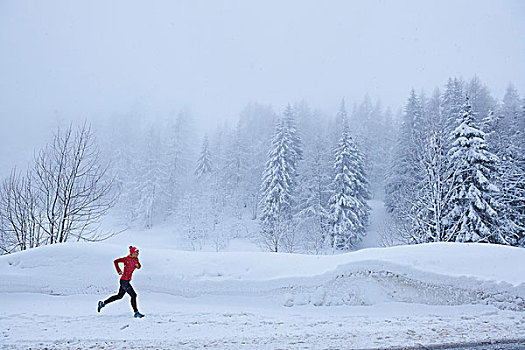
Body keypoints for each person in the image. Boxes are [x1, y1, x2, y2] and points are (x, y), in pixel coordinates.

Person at [97, 246, 144, 318]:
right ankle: (136, 312)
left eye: (138, 252)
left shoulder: (136, 259)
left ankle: (102, 303)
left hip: (127, 281)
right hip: (124, 281)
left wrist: (138, 266)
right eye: (136, 252)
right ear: (132, 253)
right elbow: (115, 261)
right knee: (133, 295)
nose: (137, 254)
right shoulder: (126, 259)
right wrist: (118, 270)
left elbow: (139, 266)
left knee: (119, 296)